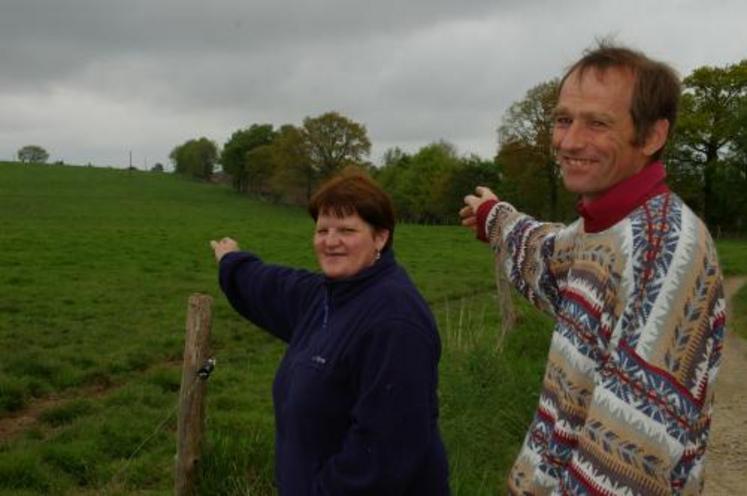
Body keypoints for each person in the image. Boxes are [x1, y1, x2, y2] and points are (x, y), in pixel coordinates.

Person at [460, 43, 725, 495]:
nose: (568, 141)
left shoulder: (661, 251)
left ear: (652, 136)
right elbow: (548, 261)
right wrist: (496, 218)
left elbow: (623, 469)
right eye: (564, 120)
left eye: (598, 124)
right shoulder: (604, 225)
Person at [211, 172, 449, 495]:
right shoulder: (327, 295)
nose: (330, 241)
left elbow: (382, 458)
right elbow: (270, 286)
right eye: (322, 230)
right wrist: (232, 262)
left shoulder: (395, 322)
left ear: (380, 237)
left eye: (347, 230)